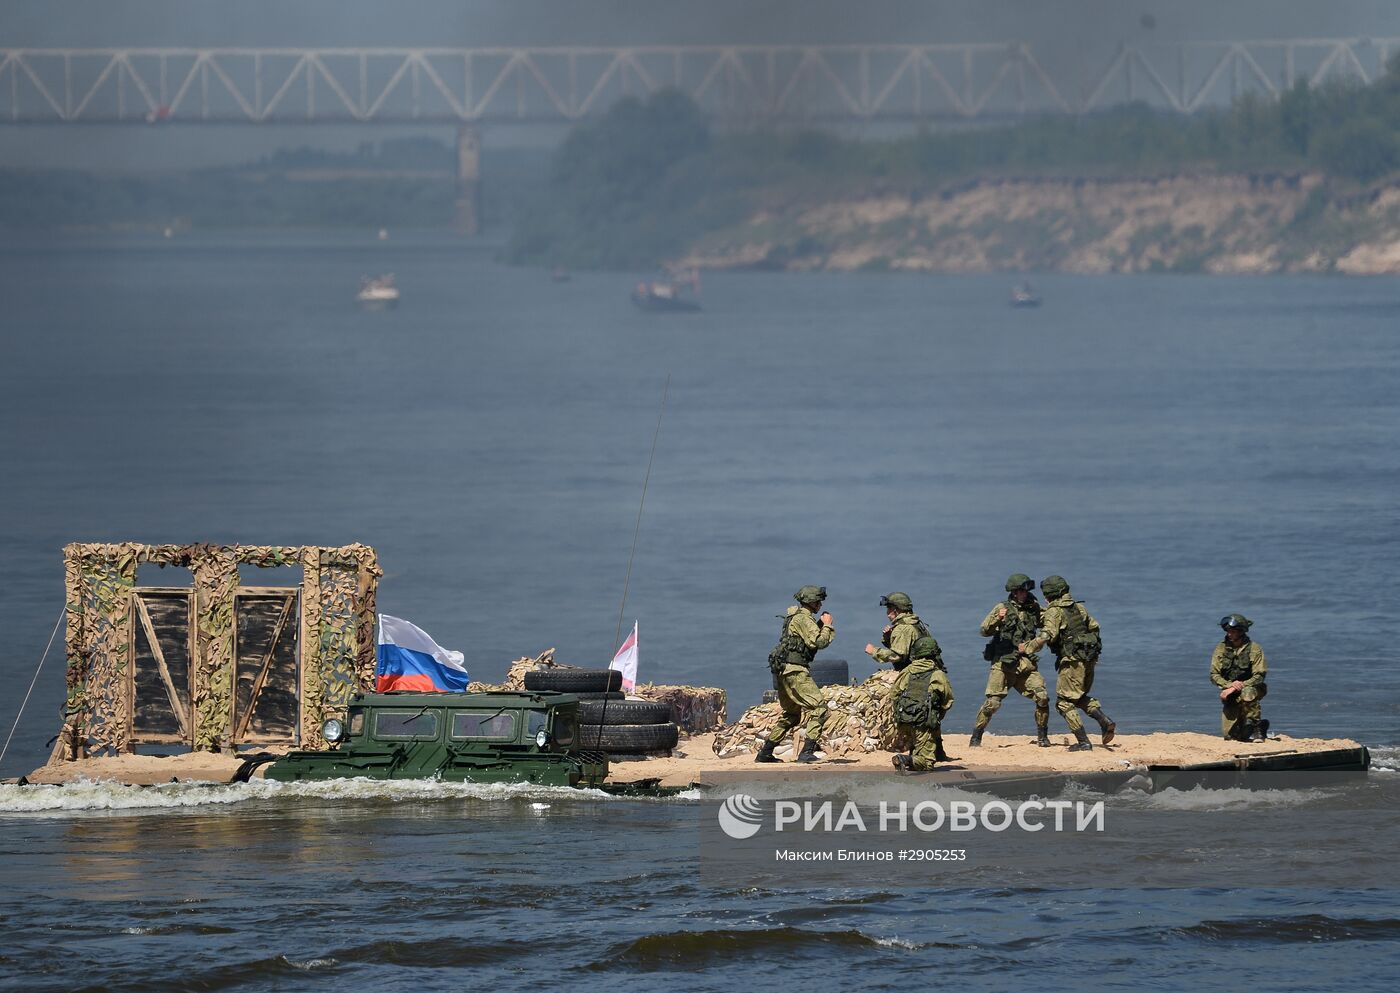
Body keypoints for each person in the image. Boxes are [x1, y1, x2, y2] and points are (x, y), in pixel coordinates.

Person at [1019, 575, 1116, 751]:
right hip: (1089, 658)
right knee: (1078, 696)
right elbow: (1094, 627)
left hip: (1072, 661)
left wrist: (1027, 647)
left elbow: (1047, 635)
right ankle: (1104, 720)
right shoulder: (1079, 607)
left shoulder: (1054, 611)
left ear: (1049, 594)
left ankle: (1083, 742)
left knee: (1063, 703)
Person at [756, 586, 835, 764]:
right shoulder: (803, 618)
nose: (820, 604)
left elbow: (803, 641)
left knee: (792, 715)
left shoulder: (794, 617)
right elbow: (818, 642)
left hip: (783, 671)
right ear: (811, 602)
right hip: (796, 671)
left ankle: (765, 753)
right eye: (818, 602)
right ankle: (807, 752)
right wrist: (828, 626)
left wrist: (819, 625)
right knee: (819, 708)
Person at [971, 573, 1051, 747]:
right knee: (993, 703)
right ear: (1014, 592)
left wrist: (1052, 609)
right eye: (1021, 591)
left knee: (1042, 696)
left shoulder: (1034, 607)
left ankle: (1043, 737)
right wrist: (998, 618)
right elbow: (984, 630)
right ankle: (976, 737)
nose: (1024, 593)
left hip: (1025, 664)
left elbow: (1048, 622)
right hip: (1003, 664)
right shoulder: (1002, 607)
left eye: (1026, 590)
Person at [891, 635, 955, 771]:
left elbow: (894, 694)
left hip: (904, 721)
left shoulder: (906, 672)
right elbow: (948, 700)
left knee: (917, 745)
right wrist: (937, 714)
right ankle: (905, 759)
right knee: (927, 763)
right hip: (922, 723)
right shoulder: (937, 674)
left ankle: (913, 757)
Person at [1210, 614, 1269, 741]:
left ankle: (1257, 728)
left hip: (1253, 688)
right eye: (1227, 631)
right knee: (1230, 736)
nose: (1229, 634)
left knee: (1247, 693)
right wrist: (1229, 686)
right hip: (1230, 691)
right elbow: (1214, 675)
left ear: (1241, 632)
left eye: (1233, 631)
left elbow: (1259, 676)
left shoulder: (1255, 649)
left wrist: (1239, 686)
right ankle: (1252, 725)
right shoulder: (1221, 648)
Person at [864, 592, 930, 671]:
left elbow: (896, 655)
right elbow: (907, 648)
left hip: (913, 674)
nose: (887, 612)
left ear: (897, 609)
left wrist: (874, 651)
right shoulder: (918, 624)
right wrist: (889, 637)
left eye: (889, 608)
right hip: (926, 670)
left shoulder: (902, 629)